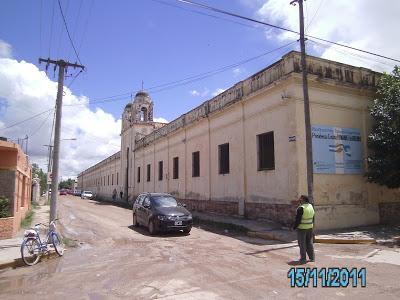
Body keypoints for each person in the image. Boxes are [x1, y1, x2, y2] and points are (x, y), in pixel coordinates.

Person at [293, 195, 315, 264]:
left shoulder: (301, 208)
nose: (299, 200)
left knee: (302, 244)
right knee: (309, 243)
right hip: (310, 228)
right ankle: (312, 258)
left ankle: (303, 259)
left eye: (300, 199)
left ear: (303, 200)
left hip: (302, 228)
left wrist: (294, 227)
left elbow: (298, 220)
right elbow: (313, 217)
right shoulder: (311, 206)